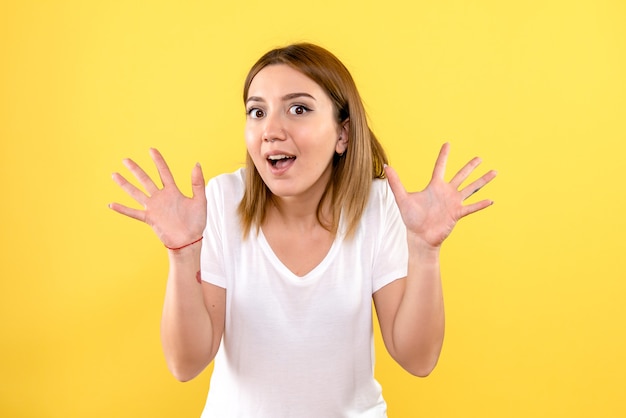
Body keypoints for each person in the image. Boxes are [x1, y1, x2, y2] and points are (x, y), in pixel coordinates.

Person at [109, 42, 497, 417]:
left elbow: (418, 359)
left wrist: (425, 251)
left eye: (297, 109)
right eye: (256, 112)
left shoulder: (377, 207)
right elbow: (185, 364)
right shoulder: (224, 200)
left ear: (343, 135)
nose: (270, 131)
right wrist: (183, 253)